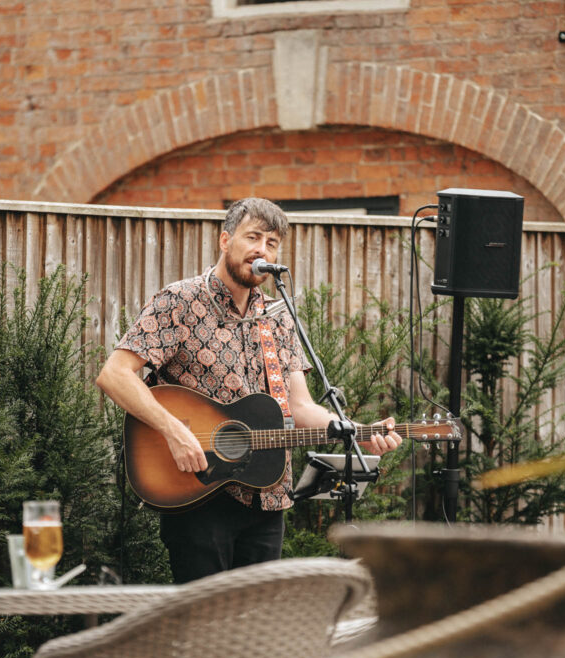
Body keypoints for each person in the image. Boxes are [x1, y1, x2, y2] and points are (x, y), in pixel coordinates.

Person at [97, 197, 402, 584]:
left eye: (272, 243)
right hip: (199, 491)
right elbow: (115, 375)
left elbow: (299, 406)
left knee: (257, 628)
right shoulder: (179, 302)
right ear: (225, 241)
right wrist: (175, 431)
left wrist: (357, 431)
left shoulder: (277, 317)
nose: (262, 249)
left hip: (268, 495)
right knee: (206, 628)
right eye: (253, 237)